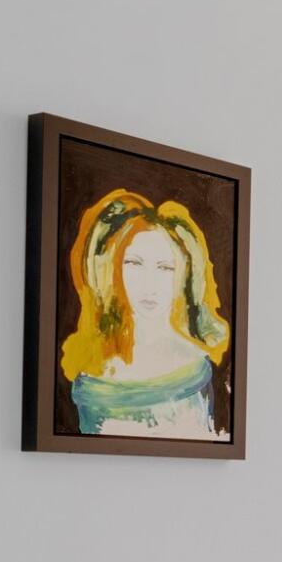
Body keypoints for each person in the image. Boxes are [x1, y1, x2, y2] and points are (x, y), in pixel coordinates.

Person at [58, 187, 231, 438]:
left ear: (186, 275)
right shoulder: (91, 371)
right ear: (111, 269)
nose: (149, 285)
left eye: (165, 268)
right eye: (134, 263)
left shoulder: (196, 366)